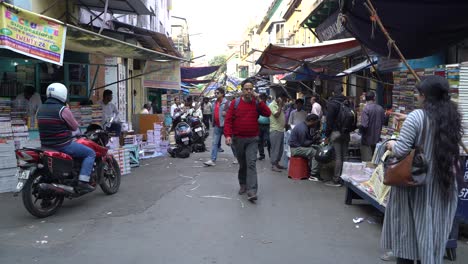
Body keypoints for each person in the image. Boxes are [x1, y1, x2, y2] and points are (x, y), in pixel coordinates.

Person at [382, 76, 461, 264]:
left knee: (408, 239)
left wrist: (391, 144)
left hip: (415, 186)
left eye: (418, 94)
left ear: (424, 95)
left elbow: (401, 150)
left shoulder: (417, 116)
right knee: (431, 236)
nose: (416, 97)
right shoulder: (451, 117)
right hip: (442, 186)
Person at [36, 83, 95, 192]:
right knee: (90, 153)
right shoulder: (62, 109)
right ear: (62, 94)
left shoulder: (40, 109)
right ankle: (83, 181)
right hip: (63, 145)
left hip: (45, 146)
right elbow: (74, 127)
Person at [224, 80, 271, 202]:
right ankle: (243, 184)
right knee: (243, 164)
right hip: (238, 139)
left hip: (252, 139)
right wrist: (228, 135)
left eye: (251, 89)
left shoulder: (256, 103)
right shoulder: (235, 103)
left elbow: (268, 113)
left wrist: (259, 99)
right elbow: (228, 120)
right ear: (242, 90)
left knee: (251, 164)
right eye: (246, 89)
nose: (248, 91)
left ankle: (252, 190)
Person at [324, 86, 349, 187]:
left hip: (336, 132)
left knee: (338, 157)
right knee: (345, 156)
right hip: (346, 132)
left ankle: (336, 179)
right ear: (342, 91)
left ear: (334, 92)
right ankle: (346, 178)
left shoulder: (332, 103)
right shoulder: (347, 102)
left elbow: (329, 121)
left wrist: (327, 134)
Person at [289, 114, 322, 181]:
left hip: (299, 146)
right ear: (311, 121)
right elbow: (304, 143)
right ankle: (313, 174)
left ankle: (312, 170)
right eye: (315, 122)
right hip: (295, 149)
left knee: (318, 149)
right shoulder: (302, 128)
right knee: (315, 152)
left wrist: (314, 138)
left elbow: (307, 140)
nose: (316, 124)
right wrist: (314, 140)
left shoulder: (305, 126)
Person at [204, 88, 230, 166]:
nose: (216, 94)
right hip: (217, 126)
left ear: (222, 94)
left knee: (231, 143)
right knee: (214, 143)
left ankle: (237, 157)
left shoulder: (228, 103)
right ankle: (212, 159)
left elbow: (233, 114)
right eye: (215, 93)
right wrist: (213, 123)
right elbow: (213, 113)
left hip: (225, 126)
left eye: (217, 93)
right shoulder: (214, 103)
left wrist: (227, 114)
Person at [359, 91, 385, 161]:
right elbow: (384, 122)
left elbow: (364, 125)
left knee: (367, 163)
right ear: (374, 98)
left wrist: (359, 130)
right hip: (377, 140)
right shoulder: (381, 108)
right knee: (376, 162)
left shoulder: (366, 109)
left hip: (367, 141)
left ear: (366, 99)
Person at [269, 93, 289, 172]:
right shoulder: (272, 105)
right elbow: (277, 115)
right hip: (275, 129)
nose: (284, 101)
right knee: (275, 149)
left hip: (280, 129)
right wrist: (280, 105)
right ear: (279, 98)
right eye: (283, 99)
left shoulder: (279, 106)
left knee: (280, 149)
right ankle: (273, 165)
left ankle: (277, 163)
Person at [257, 93, 271, 160]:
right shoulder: (258, 105)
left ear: (266, 99)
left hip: (267, 125)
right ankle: (262, 155)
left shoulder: (269, 105)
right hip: (259, 125)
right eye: (261, 99)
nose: (262, 100)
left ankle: (270, 154)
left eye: (263, 99)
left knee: (268, 140)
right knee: (259, 141)